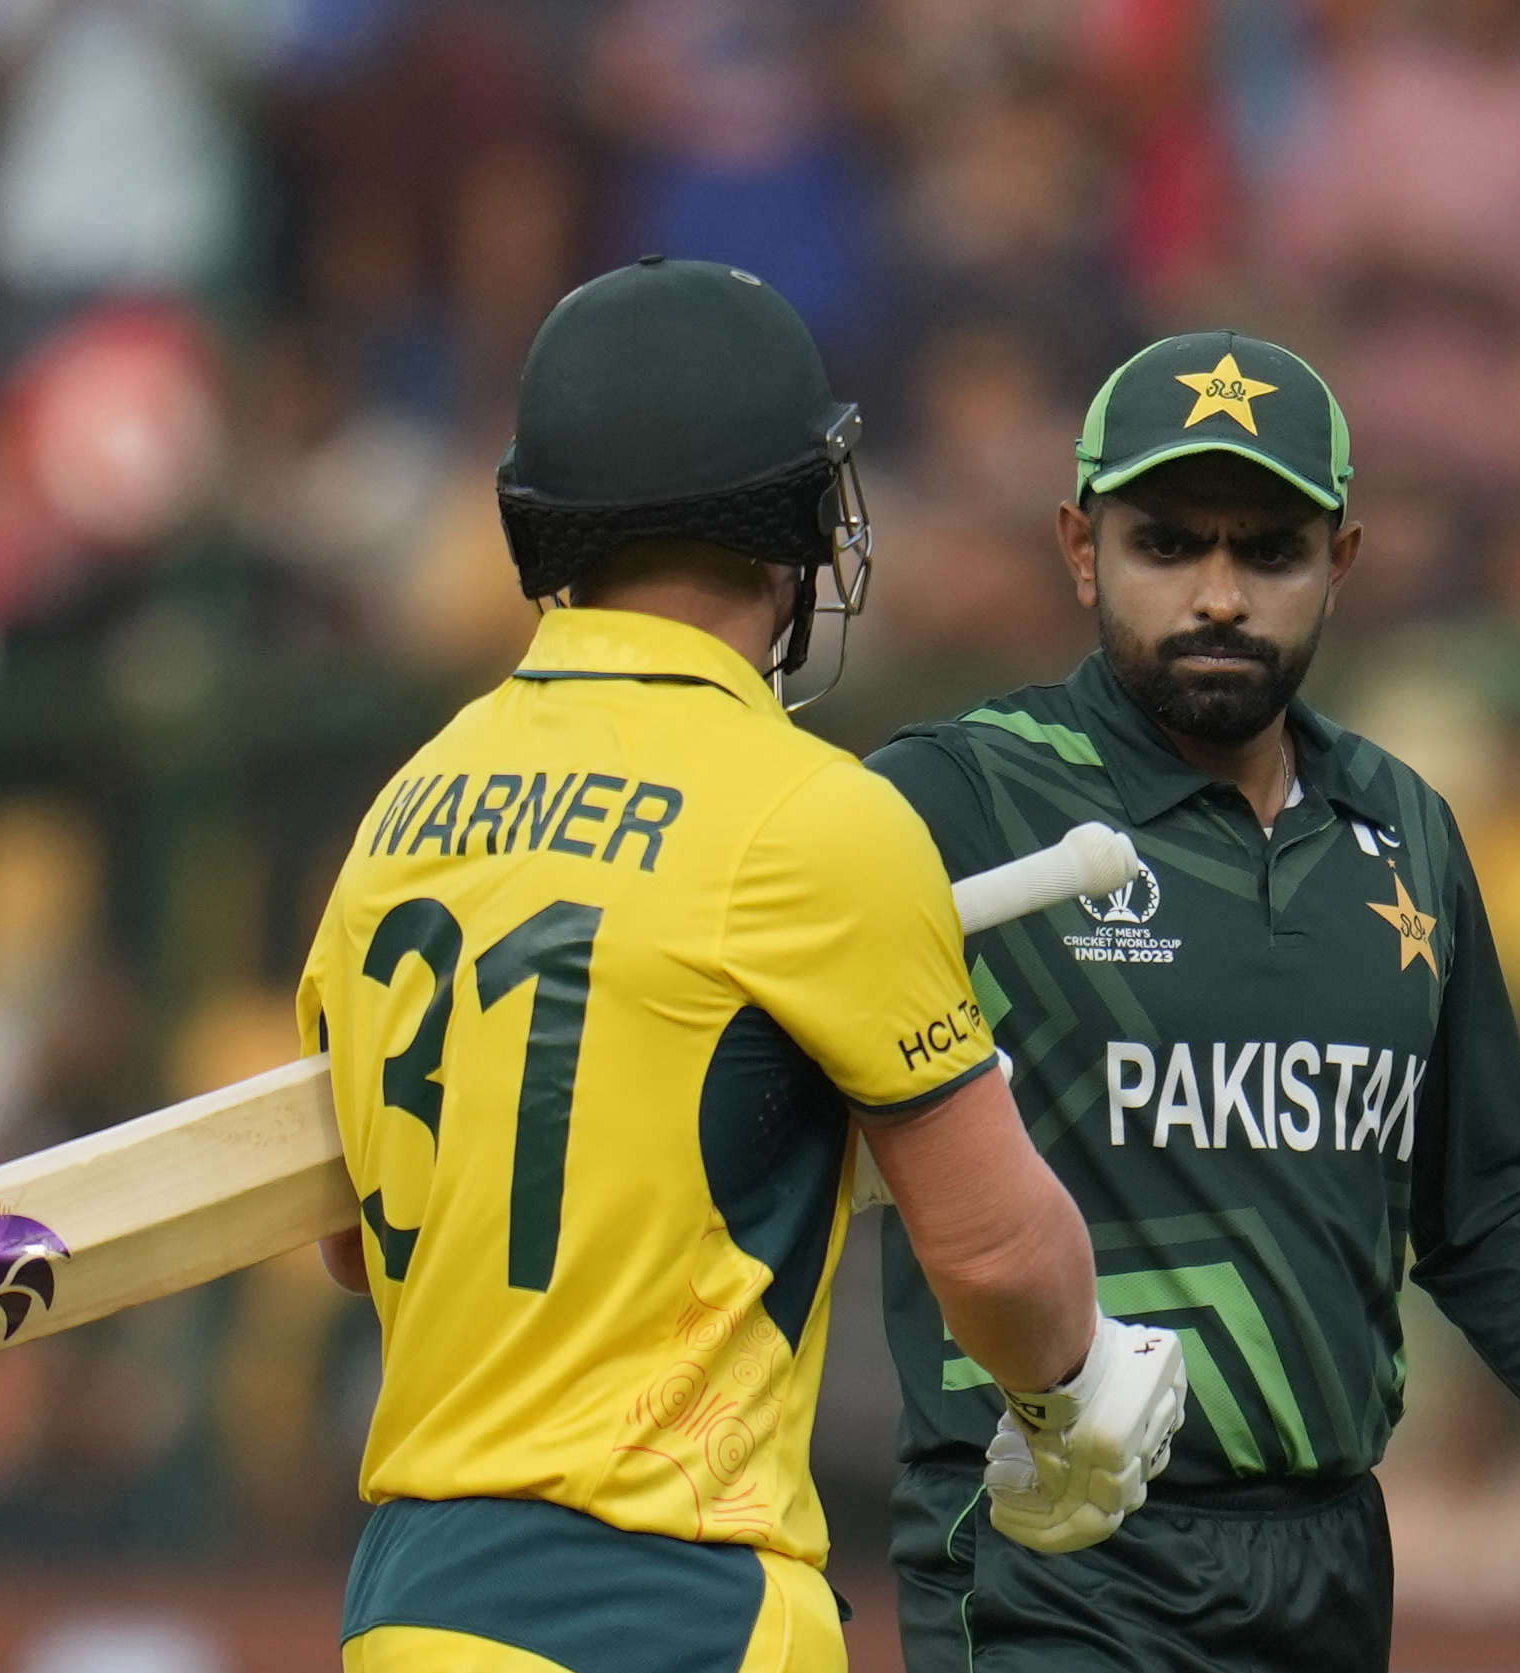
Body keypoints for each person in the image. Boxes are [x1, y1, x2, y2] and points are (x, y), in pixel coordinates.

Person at [296, 259, 1182, 1673]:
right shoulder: (811, 812)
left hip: (413, 1595)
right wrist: (1084, 1382)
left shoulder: (402, 812)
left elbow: (357, 1237)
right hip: (672, 1603)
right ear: (792, 526)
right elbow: (999, 1254)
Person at [865, 330, 1520, 1672]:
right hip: (1051, 1563)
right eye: (1168, 544)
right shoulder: (959, 799)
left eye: (1269, 551)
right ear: (1077, 546)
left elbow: (1489, 1204)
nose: (1219, 593)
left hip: (1328, 1566)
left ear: (1341, 560)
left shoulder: (1405, 828)